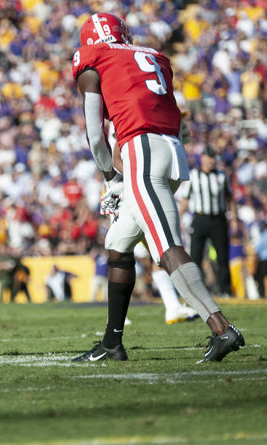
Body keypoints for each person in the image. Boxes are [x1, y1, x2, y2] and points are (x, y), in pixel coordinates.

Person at [71, 12, 244, 363]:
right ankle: (111, 344)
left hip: (143, 152)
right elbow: (171, 114)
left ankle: (222, 328)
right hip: (171, 149)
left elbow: (94, 134)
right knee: (118, 246)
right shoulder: (151, 56)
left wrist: (110, 178)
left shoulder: (93, 60)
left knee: (166, 248)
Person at [179, 146, 237, 298]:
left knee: (223, 256)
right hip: (200, 218)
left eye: (214, 158)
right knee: (196, 255)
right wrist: (178, 217)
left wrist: (234, 219)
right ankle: (197, 291)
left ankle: (226, 290)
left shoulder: (222, 176)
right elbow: (185, 199)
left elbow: (230, 198)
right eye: (209, 157)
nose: (212, 161)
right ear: (203, 158)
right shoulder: (193, 176)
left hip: (218, 219)